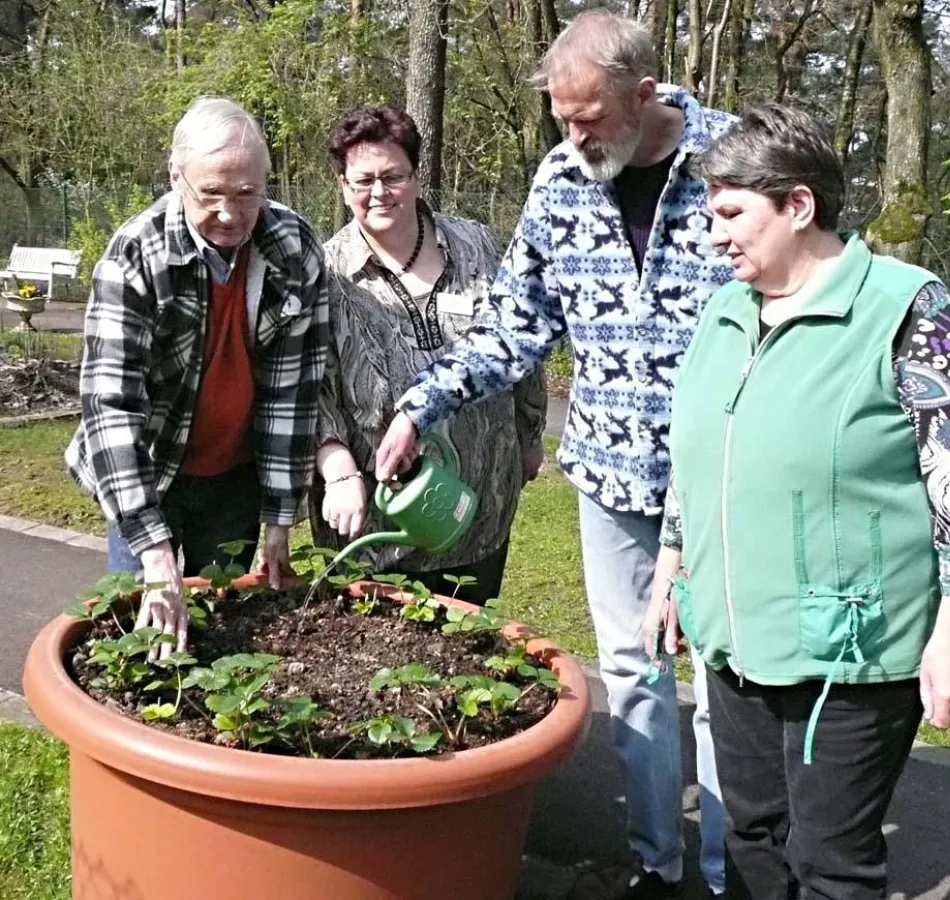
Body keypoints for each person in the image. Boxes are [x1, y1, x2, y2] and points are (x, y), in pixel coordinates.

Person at [375, 11, 735, 898]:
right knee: (633, 672)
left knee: (729, 678)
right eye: (561, 120)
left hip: (729, 478)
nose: (573, 138)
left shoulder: (739, 160)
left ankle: (734, 871)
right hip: (611, 476)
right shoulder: (561, 180)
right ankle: (658, 862)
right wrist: (422, 406)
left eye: (587, 119)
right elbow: (514, 329)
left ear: (645, 96)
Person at [643, 103, 950, 900]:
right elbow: (699, 452)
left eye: (732, 214)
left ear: (798, 205)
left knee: (831, 864)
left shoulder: (909, 309)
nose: (714, 236)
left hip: (851, 650)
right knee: (750, 836)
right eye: (712, 215)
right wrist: (673, 566)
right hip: (734, 637)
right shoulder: (723, 312)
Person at [65, 96, 329, 658]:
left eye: (247, 194)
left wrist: (280, 516)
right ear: (175, 176)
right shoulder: (134, 256)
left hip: (235, 477)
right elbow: (110, 406)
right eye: (210, 194)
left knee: (225, 629)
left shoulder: (294, 248)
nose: (230, 213)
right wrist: (154, 552)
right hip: (148, 472)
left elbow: (294, 390)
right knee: (145, 622)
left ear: (266, 181)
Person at [313, 106, 546, 603]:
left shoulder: (476, 243)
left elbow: (519, 342)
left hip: (480, 508)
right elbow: (317, 391)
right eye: (363, 180)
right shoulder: (325, 272)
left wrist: (529, 434)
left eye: (393, 176)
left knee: (470, 656)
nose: (379, 192)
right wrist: (336, 470)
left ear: (417, 177)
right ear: (342, 185)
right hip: (380, 527)